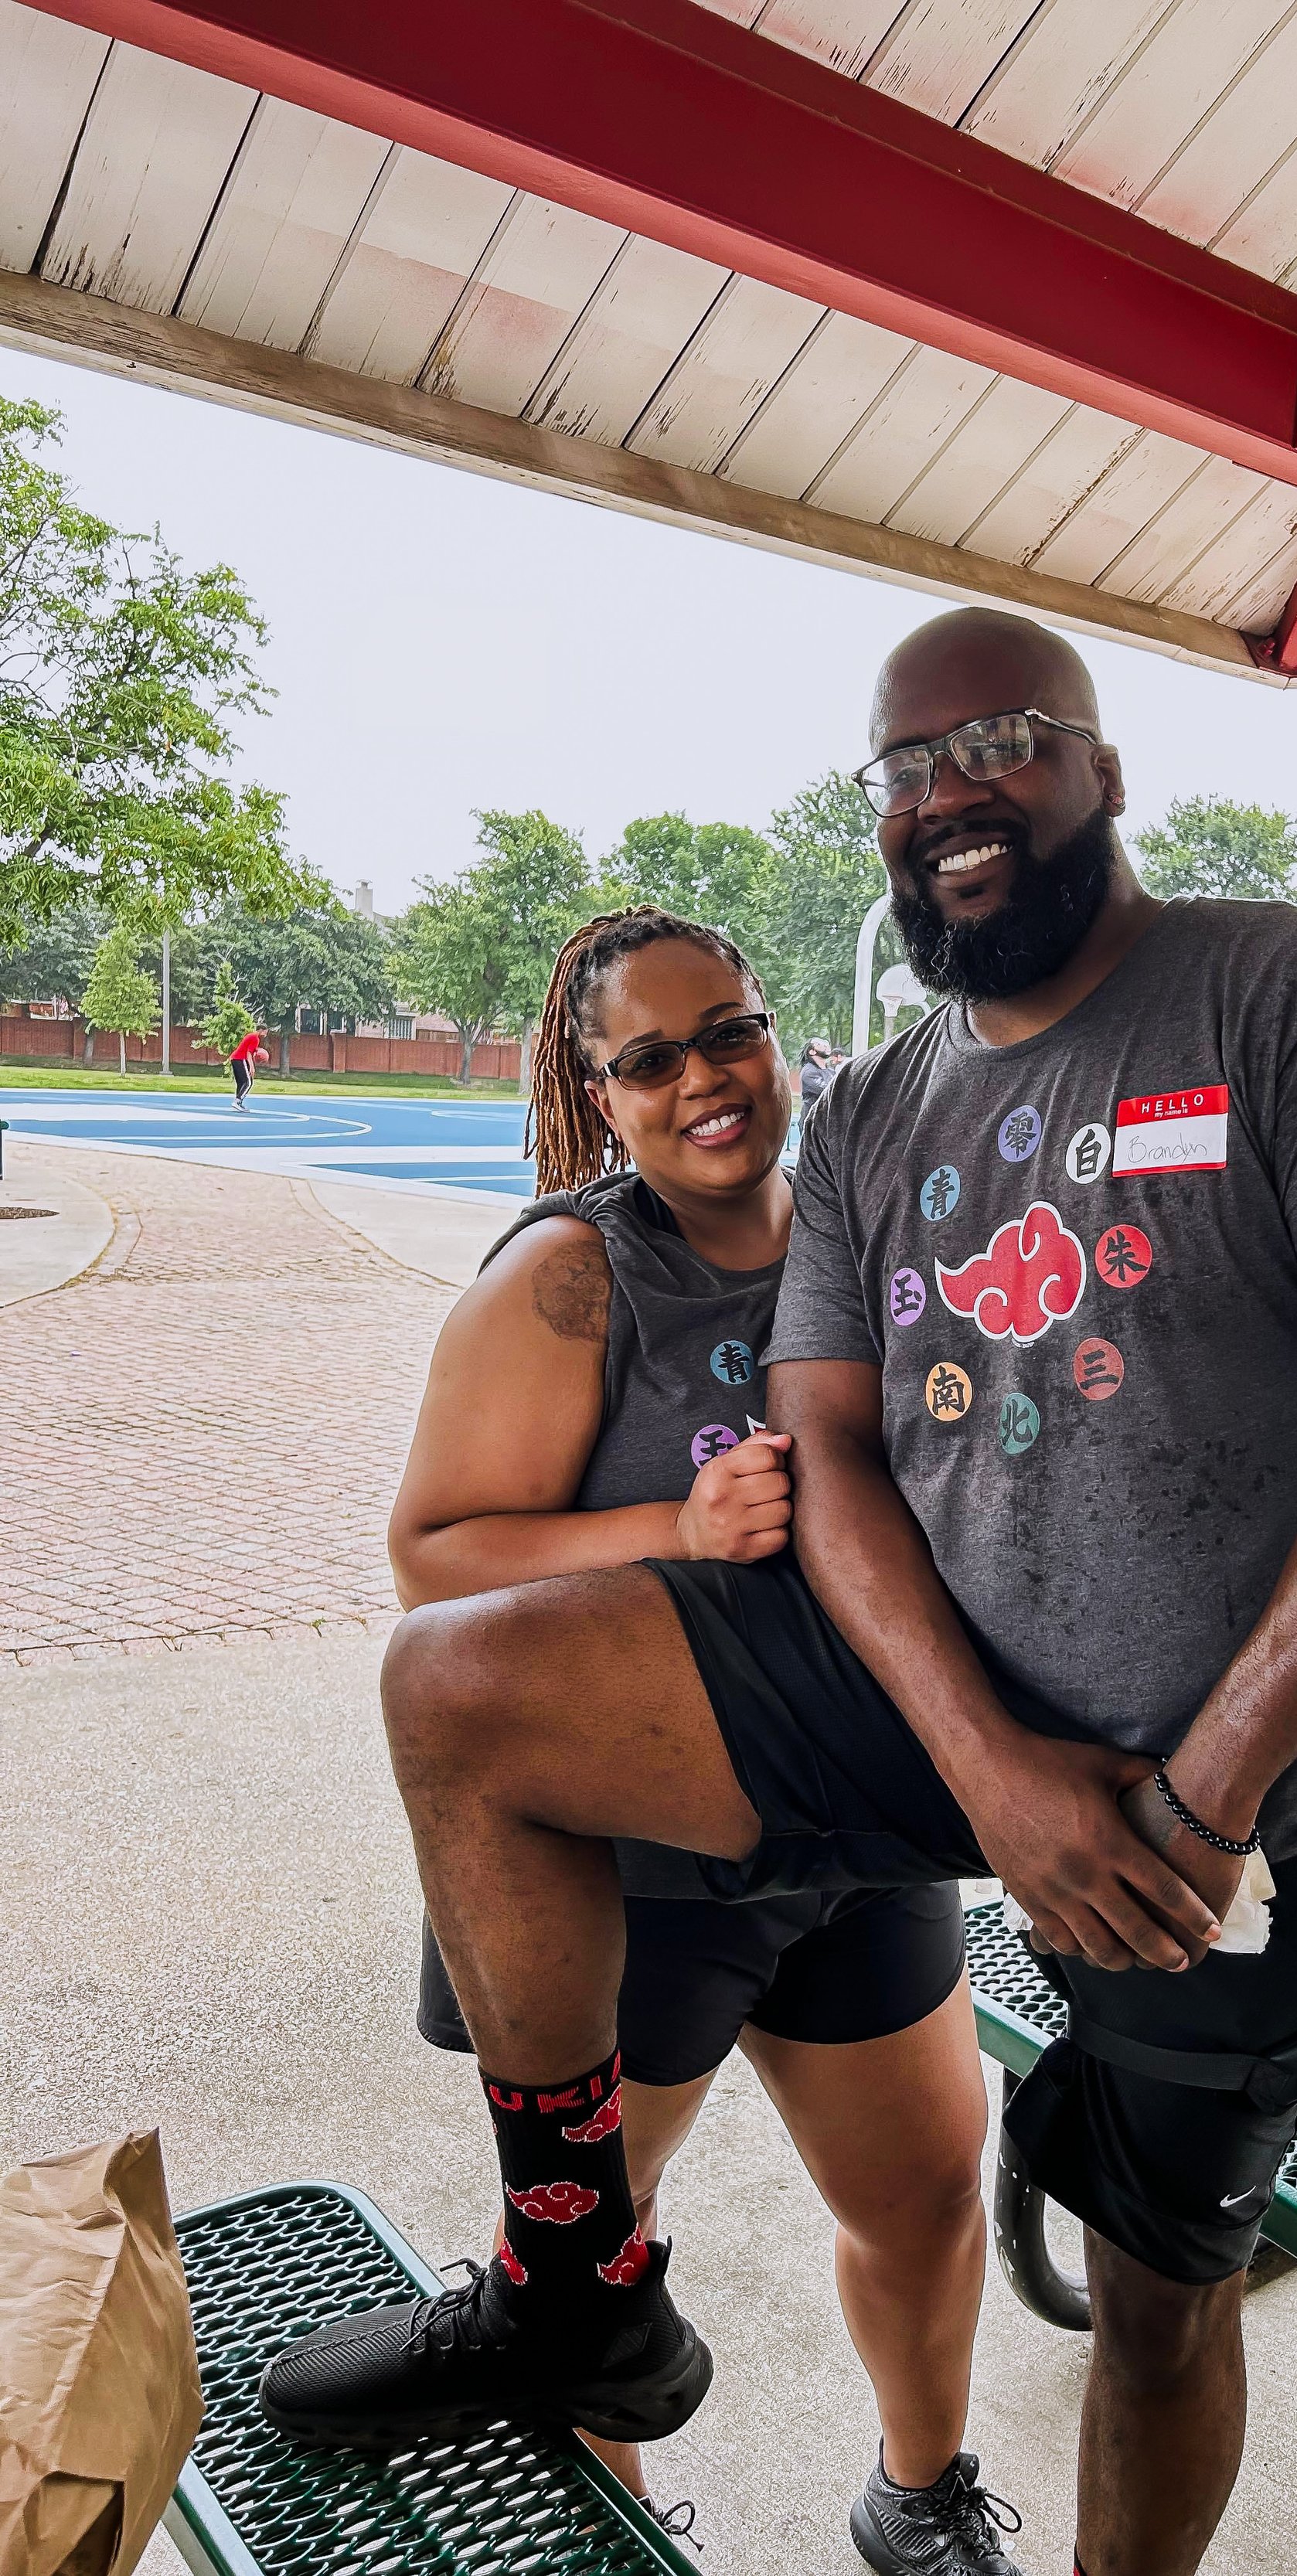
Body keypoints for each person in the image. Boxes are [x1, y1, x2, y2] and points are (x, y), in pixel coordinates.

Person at [265, 607, 1297, 2576]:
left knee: (1151, 2288)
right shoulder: (872, 1111)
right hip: (948, 1722)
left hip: (1260, 1790)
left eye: (1003, 742)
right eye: (903, 768)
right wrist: (996, 1770)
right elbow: (836, 1455)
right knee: (460, 1687)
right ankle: (568, 2278)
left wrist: (1191, 1800)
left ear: (1102, 772)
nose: (947, 795)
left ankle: (974, 2505)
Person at [337, 907, 1024, 2574]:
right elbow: (433, 1556)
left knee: (928, 2195)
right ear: (598, 1092)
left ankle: (918, 2491)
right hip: (649, 1863)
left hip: (852, 1823)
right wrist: (671, 1522)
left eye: (730, 1031)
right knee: (595, 2250)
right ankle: (620, 2538)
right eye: (650, 1058)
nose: (706, 1078)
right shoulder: (572, 1271)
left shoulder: (856, 1227)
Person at [229, 1025, 266, 1110]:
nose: (265, 1034)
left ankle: (238, 1102)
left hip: (235, 1059)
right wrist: (252, 1066)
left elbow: (248, 1050)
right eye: (265, 1032)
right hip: (240, 1059)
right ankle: (237, 1101)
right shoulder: (255, 1038)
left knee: (241, 1083)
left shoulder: (251, 1036)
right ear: (260, 1030)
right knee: (248, 1082)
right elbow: (248, 1053)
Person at [799, 1035, 836, 1111]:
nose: (826, 1046)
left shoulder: (832, 1072)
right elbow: (828, 1090)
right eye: (818, 1044)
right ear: (812, 1052)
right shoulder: (809, 1072)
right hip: (813, 1118)